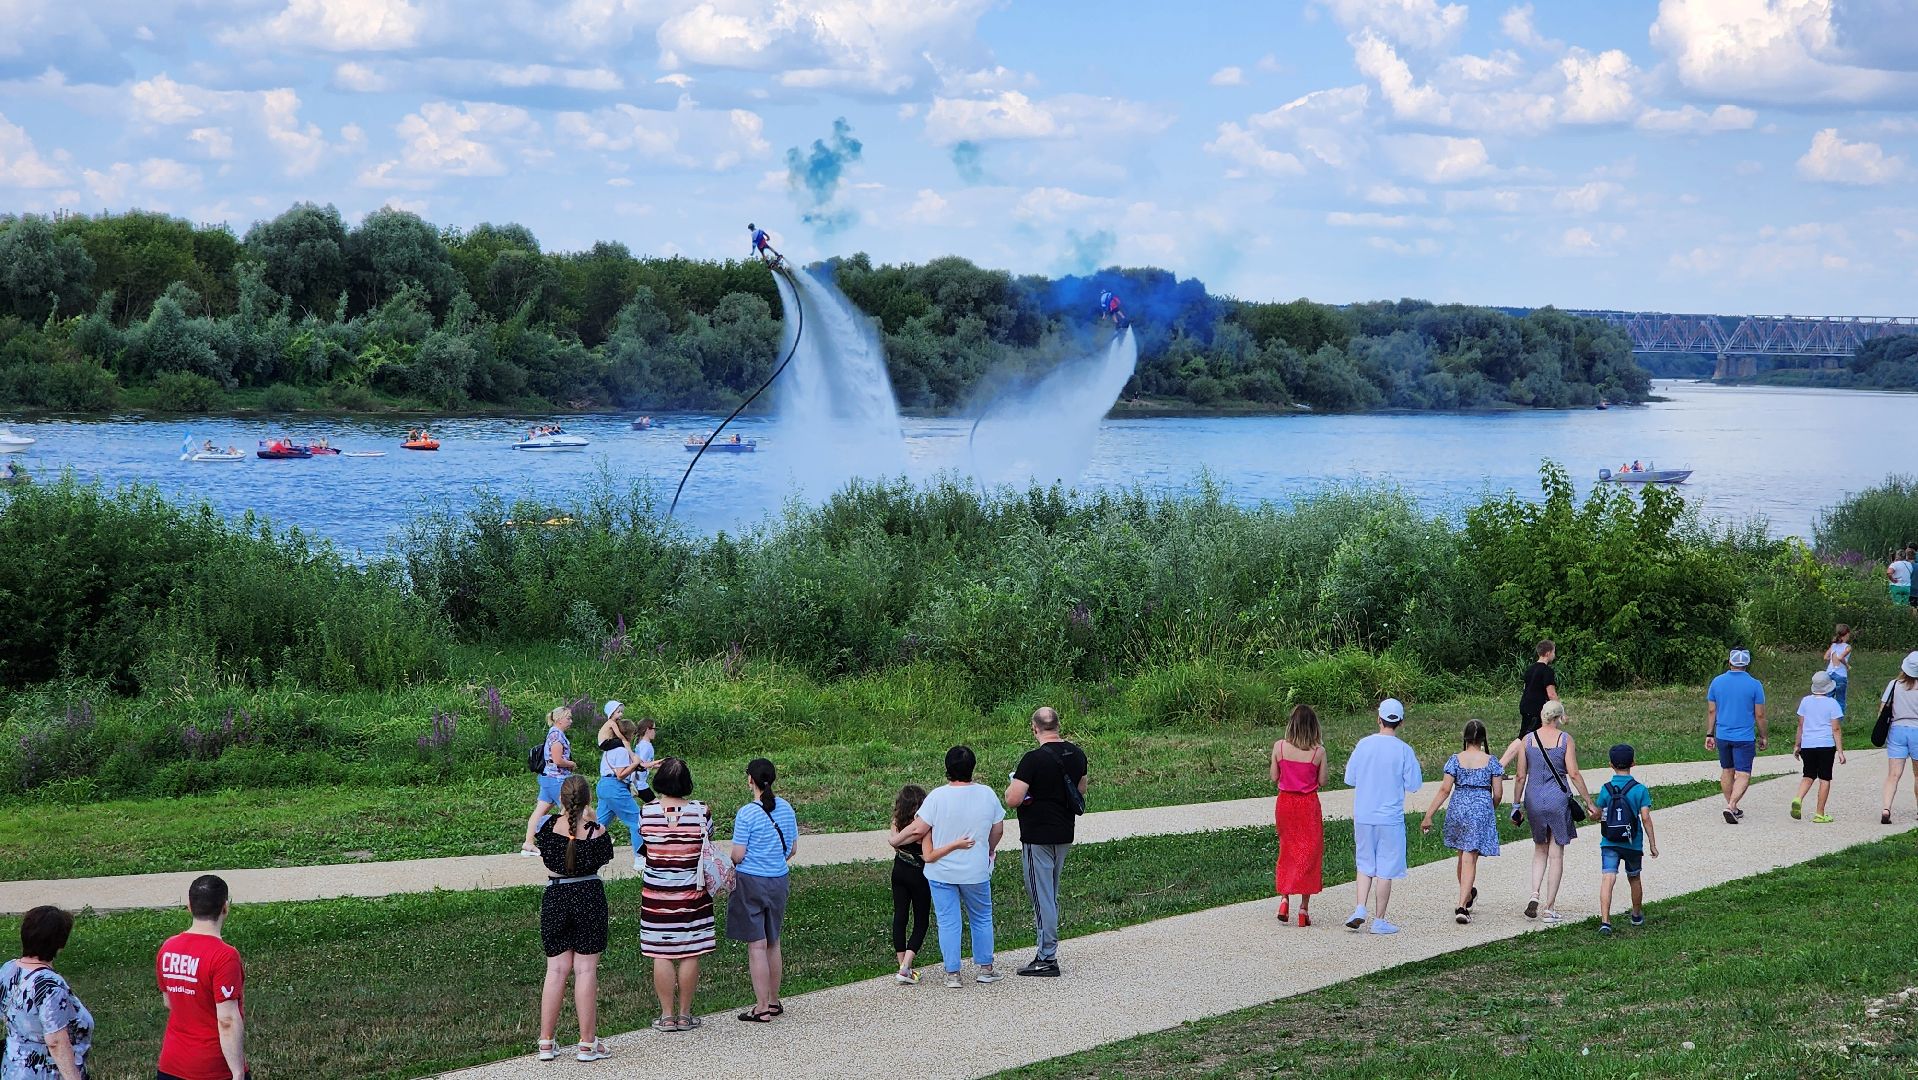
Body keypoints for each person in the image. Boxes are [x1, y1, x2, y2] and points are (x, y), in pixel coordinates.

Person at [532, 775, 612, 1062]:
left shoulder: (546, 827)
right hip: (589, 895)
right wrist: (591, 819)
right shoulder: (597, 831)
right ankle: (587, 1043)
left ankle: (546, 1041)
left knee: (555, 970)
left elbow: (544, 847)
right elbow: (602, 855)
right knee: (586, 970)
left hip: (556, 896)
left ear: (561, 799)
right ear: (588, 799)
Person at [1004, 706, 1088, 977]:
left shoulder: (1032, 760)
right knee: (1050, 893)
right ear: (1058, 725)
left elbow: (1013, 799)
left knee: (1041, 898)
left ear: (1034, 728)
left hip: (1037, 835)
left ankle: (1047, 957)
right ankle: (1047, 951)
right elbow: (1081, 789)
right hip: (1064, 832)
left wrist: (1013, 786)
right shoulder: (1077, 754)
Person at [915, 745, 1006, 986]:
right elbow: (998, 829)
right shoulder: (987, 794)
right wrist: (989, 849)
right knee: (982, 917)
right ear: (972, 767)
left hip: (941, 871)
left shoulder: (936, 796)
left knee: (948, 921)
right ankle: (985, 968)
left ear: (947, 768)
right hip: (975, 870)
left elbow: (920, 828)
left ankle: (953, 973)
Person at [637, 758, 714, 1033]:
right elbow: (708, 842)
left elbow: (644, 842)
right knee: (690, 952)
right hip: (693, 892)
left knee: (661, 953)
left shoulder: (647, 812)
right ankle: (685, 1015)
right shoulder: (701, 812)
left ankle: (666, 1016)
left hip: (656, 894)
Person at [1342, 699, 1424, 935]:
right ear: (1401, 722)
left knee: (1364, 863)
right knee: (1386, 869)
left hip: (1364, 814)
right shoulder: (1404, 750)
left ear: (1379, 719)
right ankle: (1379, 919)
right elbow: (1414, 784)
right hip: (1390, 817)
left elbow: (1350, 778)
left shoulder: (1364, 744)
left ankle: (1360, 907)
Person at [1514, 700, 1596, 925]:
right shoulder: (1565, 739)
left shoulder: (1527, 740)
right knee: (1556, 853)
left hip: (1533, 798)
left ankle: (1534, 893)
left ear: (1542, 715)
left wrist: (1515, 805)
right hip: (1558, 799)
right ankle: (1549, 908)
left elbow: (1520, 776)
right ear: (1559, 717)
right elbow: (1574, 773)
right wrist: (1588, 801)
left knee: (1539, 849)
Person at [156, 874, 246, 1080]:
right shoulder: (224, 956)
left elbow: (169, 1002)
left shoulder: (168, 947)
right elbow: (227, 1020)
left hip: (171, 1064)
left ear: (189, 906)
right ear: (225, 908)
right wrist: (238, 1072)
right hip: (213, 1068)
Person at [729, 758, 798, 1022]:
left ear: (750, 780)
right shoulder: (786, 808)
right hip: (778, 879)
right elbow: (792, 849)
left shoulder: (746, 813)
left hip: (750, 881)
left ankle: (761, 1008)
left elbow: (738, 854)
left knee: (756, 945)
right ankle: (773, 1000)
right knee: (773, 941)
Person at [1421, 719, 1504, 925]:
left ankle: (1467, 895)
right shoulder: (1492, 761)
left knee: (1462, 855)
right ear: (1483, 739)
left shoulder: (1455, 760)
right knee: (1470, 858)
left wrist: (1428, 815)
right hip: (1480, 808)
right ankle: (1462, 906)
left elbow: (1445, 789)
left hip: (1458, 807)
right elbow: (1498, 793)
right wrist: (1489, 808)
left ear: (1465, 738)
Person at [3, 906, 91, 1080]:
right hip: (46, 1073)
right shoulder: (50, 985)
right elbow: (56, 1041)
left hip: (11, 1070)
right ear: (60, 943)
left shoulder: (9, 970)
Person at [1270, 704, 1330, 926]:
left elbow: (1274, 776)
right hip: (1308, 805)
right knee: (1309, 854)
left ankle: (1284, 898)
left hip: (1286, 804)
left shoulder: (1279, 747)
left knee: (1287, 849)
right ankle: (1303, 909)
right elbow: (1322, 781)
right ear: (1314, 727)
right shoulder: (1318, 752)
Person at [1594, 744, 1657, 935]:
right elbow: (1645, 817)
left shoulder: (1606, 789)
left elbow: (1599, 813)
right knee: (1634, 877)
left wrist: (1593, 814)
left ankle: (1605, 921)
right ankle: (1636, 915)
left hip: (1610, 841)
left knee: (1608, 877)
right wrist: (1652, 844)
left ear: (1610, 765)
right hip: (1632, 842)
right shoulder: (1640, 789)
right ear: (1633, 763)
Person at [1705, 649, 1767, 824]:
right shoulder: (1755, 685)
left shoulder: (1717, 682)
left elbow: (1712, 711)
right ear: (1747, 664)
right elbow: (1760, 715)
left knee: (1727, 770)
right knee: (1743, 773)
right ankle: (1731, 805)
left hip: (1723, 735)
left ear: (1729, 662)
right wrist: (1763, 736)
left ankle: (1732, 808)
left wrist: (1710, 734)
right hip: (1744, 737)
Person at [885, 785, 932, 984]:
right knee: (921, 920)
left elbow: (895, 843)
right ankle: (906, 966)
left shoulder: (896, 821)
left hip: (899, 870)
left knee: (900, 916)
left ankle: (902, 965)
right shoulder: (924, 825)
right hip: (920, 874)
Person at [523, 705, 577, 856]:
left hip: (548, 778)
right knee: (570, 809)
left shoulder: (553, 733)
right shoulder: (557, 736)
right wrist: (571, 764)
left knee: (539, 812)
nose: (571, 721)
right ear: (559, 720)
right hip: (557, 779)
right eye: (568, 718)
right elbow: (557, 760)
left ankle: (528, 843)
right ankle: (565, 842)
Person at [1793, 671, 1845, 823]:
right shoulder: (1832, 704)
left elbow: (1801, 725)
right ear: (1829, 687)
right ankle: (1820, 813)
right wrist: (1840, 751)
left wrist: (1797, 744)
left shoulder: (1805, 701)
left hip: (1808, 744)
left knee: (1808, 775)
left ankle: (1798, 798)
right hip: (1826, 745)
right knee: (1824, 778)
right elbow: (1836, 728)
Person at [596, 715, 646, 870]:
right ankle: (640, 859)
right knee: (636, 821)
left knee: (598, 824)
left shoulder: (609, 750)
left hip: (603, 785)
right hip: (616, 787)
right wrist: (635, 764)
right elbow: (620, 774)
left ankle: (579, 851)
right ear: (630, 734)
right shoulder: (622, 750)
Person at [1879, 652, 1918, 825]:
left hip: (1897, 730)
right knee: (1917, 775)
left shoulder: (1894, 684)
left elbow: (1882, 710)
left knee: (1893, 774)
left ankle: (1886, 808)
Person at [1519, 640, 1559, 739]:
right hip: (1536, 709)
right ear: (1548, 653)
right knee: (1524, 738)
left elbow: (1525, 687)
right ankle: (1511, 751)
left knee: (1531, 735)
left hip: (1525, 705)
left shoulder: (1530, 669)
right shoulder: (1547, 671)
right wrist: (1560, 711)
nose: (1554, 655)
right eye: (1553, 652)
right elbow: (1551, 694)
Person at [1825, 624, 1853, 716]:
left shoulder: (1833, 645)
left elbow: (1826, 657)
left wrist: (1833, 659)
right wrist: (1847, 665)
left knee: (1828, 696)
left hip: (1829, 672)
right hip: (1840, 674)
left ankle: (1826, 715)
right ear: (1847, 634)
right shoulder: (1847, 647)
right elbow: (1841, 657)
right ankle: (1838, 719)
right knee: (1840, 699)